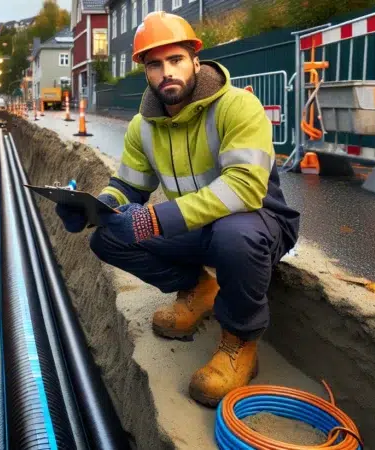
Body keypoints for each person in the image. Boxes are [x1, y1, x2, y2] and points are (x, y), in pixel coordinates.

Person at [55, 12, 300, 407]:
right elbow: (129, 186)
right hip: (197, 226)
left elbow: (245, 187)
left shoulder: (237, 107)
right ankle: (198, 288)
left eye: (176, 60)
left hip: (259, 223)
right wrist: (97, 207)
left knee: (234, 236)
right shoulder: (143, 127)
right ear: (145, 72)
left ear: (195, 61)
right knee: (109, 238)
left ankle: (239, 343)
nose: (167, 72)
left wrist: (155, 218)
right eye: (155, 64)